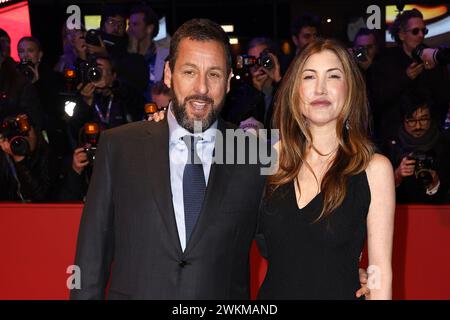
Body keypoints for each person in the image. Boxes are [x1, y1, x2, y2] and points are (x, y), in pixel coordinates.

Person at [70, 18, 267, 300]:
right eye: (189, 71)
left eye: (214, 74)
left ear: (227, 82)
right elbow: (91, 258)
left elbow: (284, 246)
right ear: (168, 73)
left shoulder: (253, 153)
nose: (201, 88)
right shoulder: (119, 146)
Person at [257, 38, 395, 300]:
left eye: (333, 76)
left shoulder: (374, 169)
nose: (320, 88)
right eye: (309, 77)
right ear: (295, 89)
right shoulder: (268, 160)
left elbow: (379, 274)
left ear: (350, 89)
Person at [367, 9, 450, 142]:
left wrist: (434, 71)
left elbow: (444, 98)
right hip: (394, 139)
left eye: (424, 31)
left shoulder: (432, 57)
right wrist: (405, 78)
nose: (421, 35)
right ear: (401, 35)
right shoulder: (385, 60)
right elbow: (377, 99)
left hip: (430, 138)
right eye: (415, 31)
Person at [383, 90, 450, 203]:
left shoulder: (445, 144)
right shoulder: (390, 146)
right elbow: (379, 194)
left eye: (423, 119)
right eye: (411, 120)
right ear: (403, 120)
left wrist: (435, 184)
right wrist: (397, 175)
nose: (418, 126)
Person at [0, 113, 55, 202]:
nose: (22, 138)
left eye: (25, 132)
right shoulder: (4, 157)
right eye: (16, 134)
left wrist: (20, 160)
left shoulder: (47, 156)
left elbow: (41, 198)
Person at [127, 5, 169, 102]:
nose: (129, 29)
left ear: (149, 28)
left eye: (135, 24)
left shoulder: (166, 56)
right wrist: (133, 54)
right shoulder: (124, 57)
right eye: (129, 25)